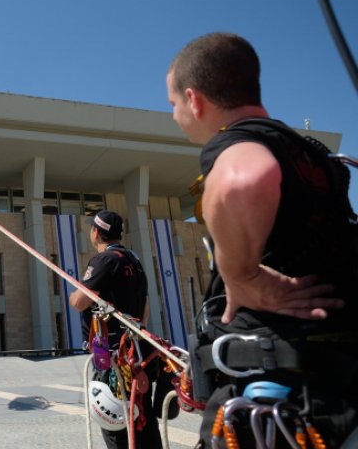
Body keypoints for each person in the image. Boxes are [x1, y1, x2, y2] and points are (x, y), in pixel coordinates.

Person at [167, 32, 357, 447]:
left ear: (194, 100)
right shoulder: (310, 154)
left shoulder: (237, 141)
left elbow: (244, 178)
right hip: (335, 385)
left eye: (173, 103)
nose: (175, 115)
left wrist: (241, 276)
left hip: (275, 400)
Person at [69, 210, 162, 449]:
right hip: (137, 352)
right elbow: (145, 309)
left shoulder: (105, 261)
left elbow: (79, 302)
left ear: (96, 232)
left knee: (116, 424)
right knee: (143, 418)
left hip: (114, 357)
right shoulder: (134, 260)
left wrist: (73, 295)